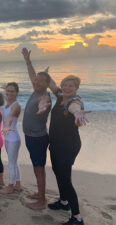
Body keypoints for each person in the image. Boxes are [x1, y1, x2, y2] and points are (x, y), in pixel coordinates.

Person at [47, 75, 90, 225]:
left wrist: (77, 113)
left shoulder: (74, 101)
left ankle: (77, 217)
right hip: (55, 144)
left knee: (65, 179)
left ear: (76, 88)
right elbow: (51, 85)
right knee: (57, 173)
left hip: (68, 146)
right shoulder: (60, 96)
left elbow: (74, 108)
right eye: (64, 85)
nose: (67, 88)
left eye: (71, 86)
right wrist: (46, 74)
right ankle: (64, 202)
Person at [21, 47, 53, 210]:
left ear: (47, 84)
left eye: (40, 81)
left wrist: (43, 106)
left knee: (39, 169)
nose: (36, 82)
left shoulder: (44, 95)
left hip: (38, 139)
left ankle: (41, 201)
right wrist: (28, 61)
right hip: (30, 136)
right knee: (36, 167)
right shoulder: (36, 89)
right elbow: (32, 75)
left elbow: (44, 101)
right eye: (36, 80)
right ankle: (41, 194)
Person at [0, 82, 22, 194]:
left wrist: (7, 125)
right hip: (8, 138)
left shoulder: (16, 105)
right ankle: (18, 184)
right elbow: (7, 96)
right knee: (14, 161)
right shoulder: (8, 102)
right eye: (8, 91)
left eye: (12, 91)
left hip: (13, 138)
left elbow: (10, 116)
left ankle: (11, 186)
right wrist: (6, 89)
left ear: (17, 93)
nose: (9, 93)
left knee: (11, 163)